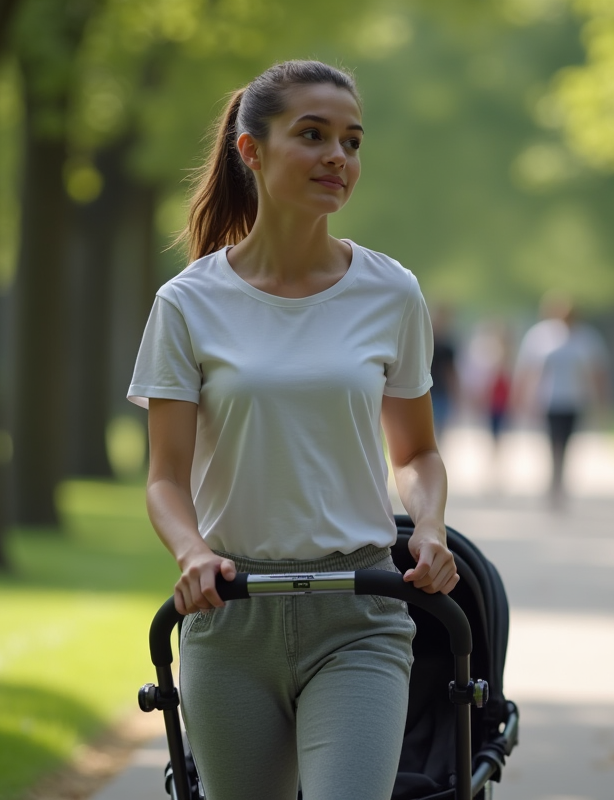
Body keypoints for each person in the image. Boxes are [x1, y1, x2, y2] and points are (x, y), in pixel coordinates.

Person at [127, 61, 457, 800]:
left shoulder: (391, 292)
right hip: (232, 617)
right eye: (313, 136)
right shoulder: (186, 305)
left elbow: (419, 452)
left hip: (360, 612)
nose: (338, 157)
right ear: (252, 150)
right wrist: (190, 552)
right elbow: (165, 479)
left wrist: (429, 526)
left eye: (352, 141)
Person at [513, 291, 611, 504]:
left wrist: (602, 402)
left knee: (567, 442)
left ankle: (561, 483)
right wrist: (521, 398)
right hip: (548, 400)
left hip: (574, 400)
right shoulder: (540, 336)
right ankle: (553, 483)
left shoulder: (586, 337)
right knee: (551, 442)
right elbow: (527, 370)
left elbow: (597, 372)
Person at [429, 305, 460, 442]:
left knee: (439, 425)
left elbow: (450, 371)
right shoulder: (426, 340)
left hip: (441, 390)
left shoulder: (447, 345)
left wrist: (455, 392)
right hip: (427, 389)